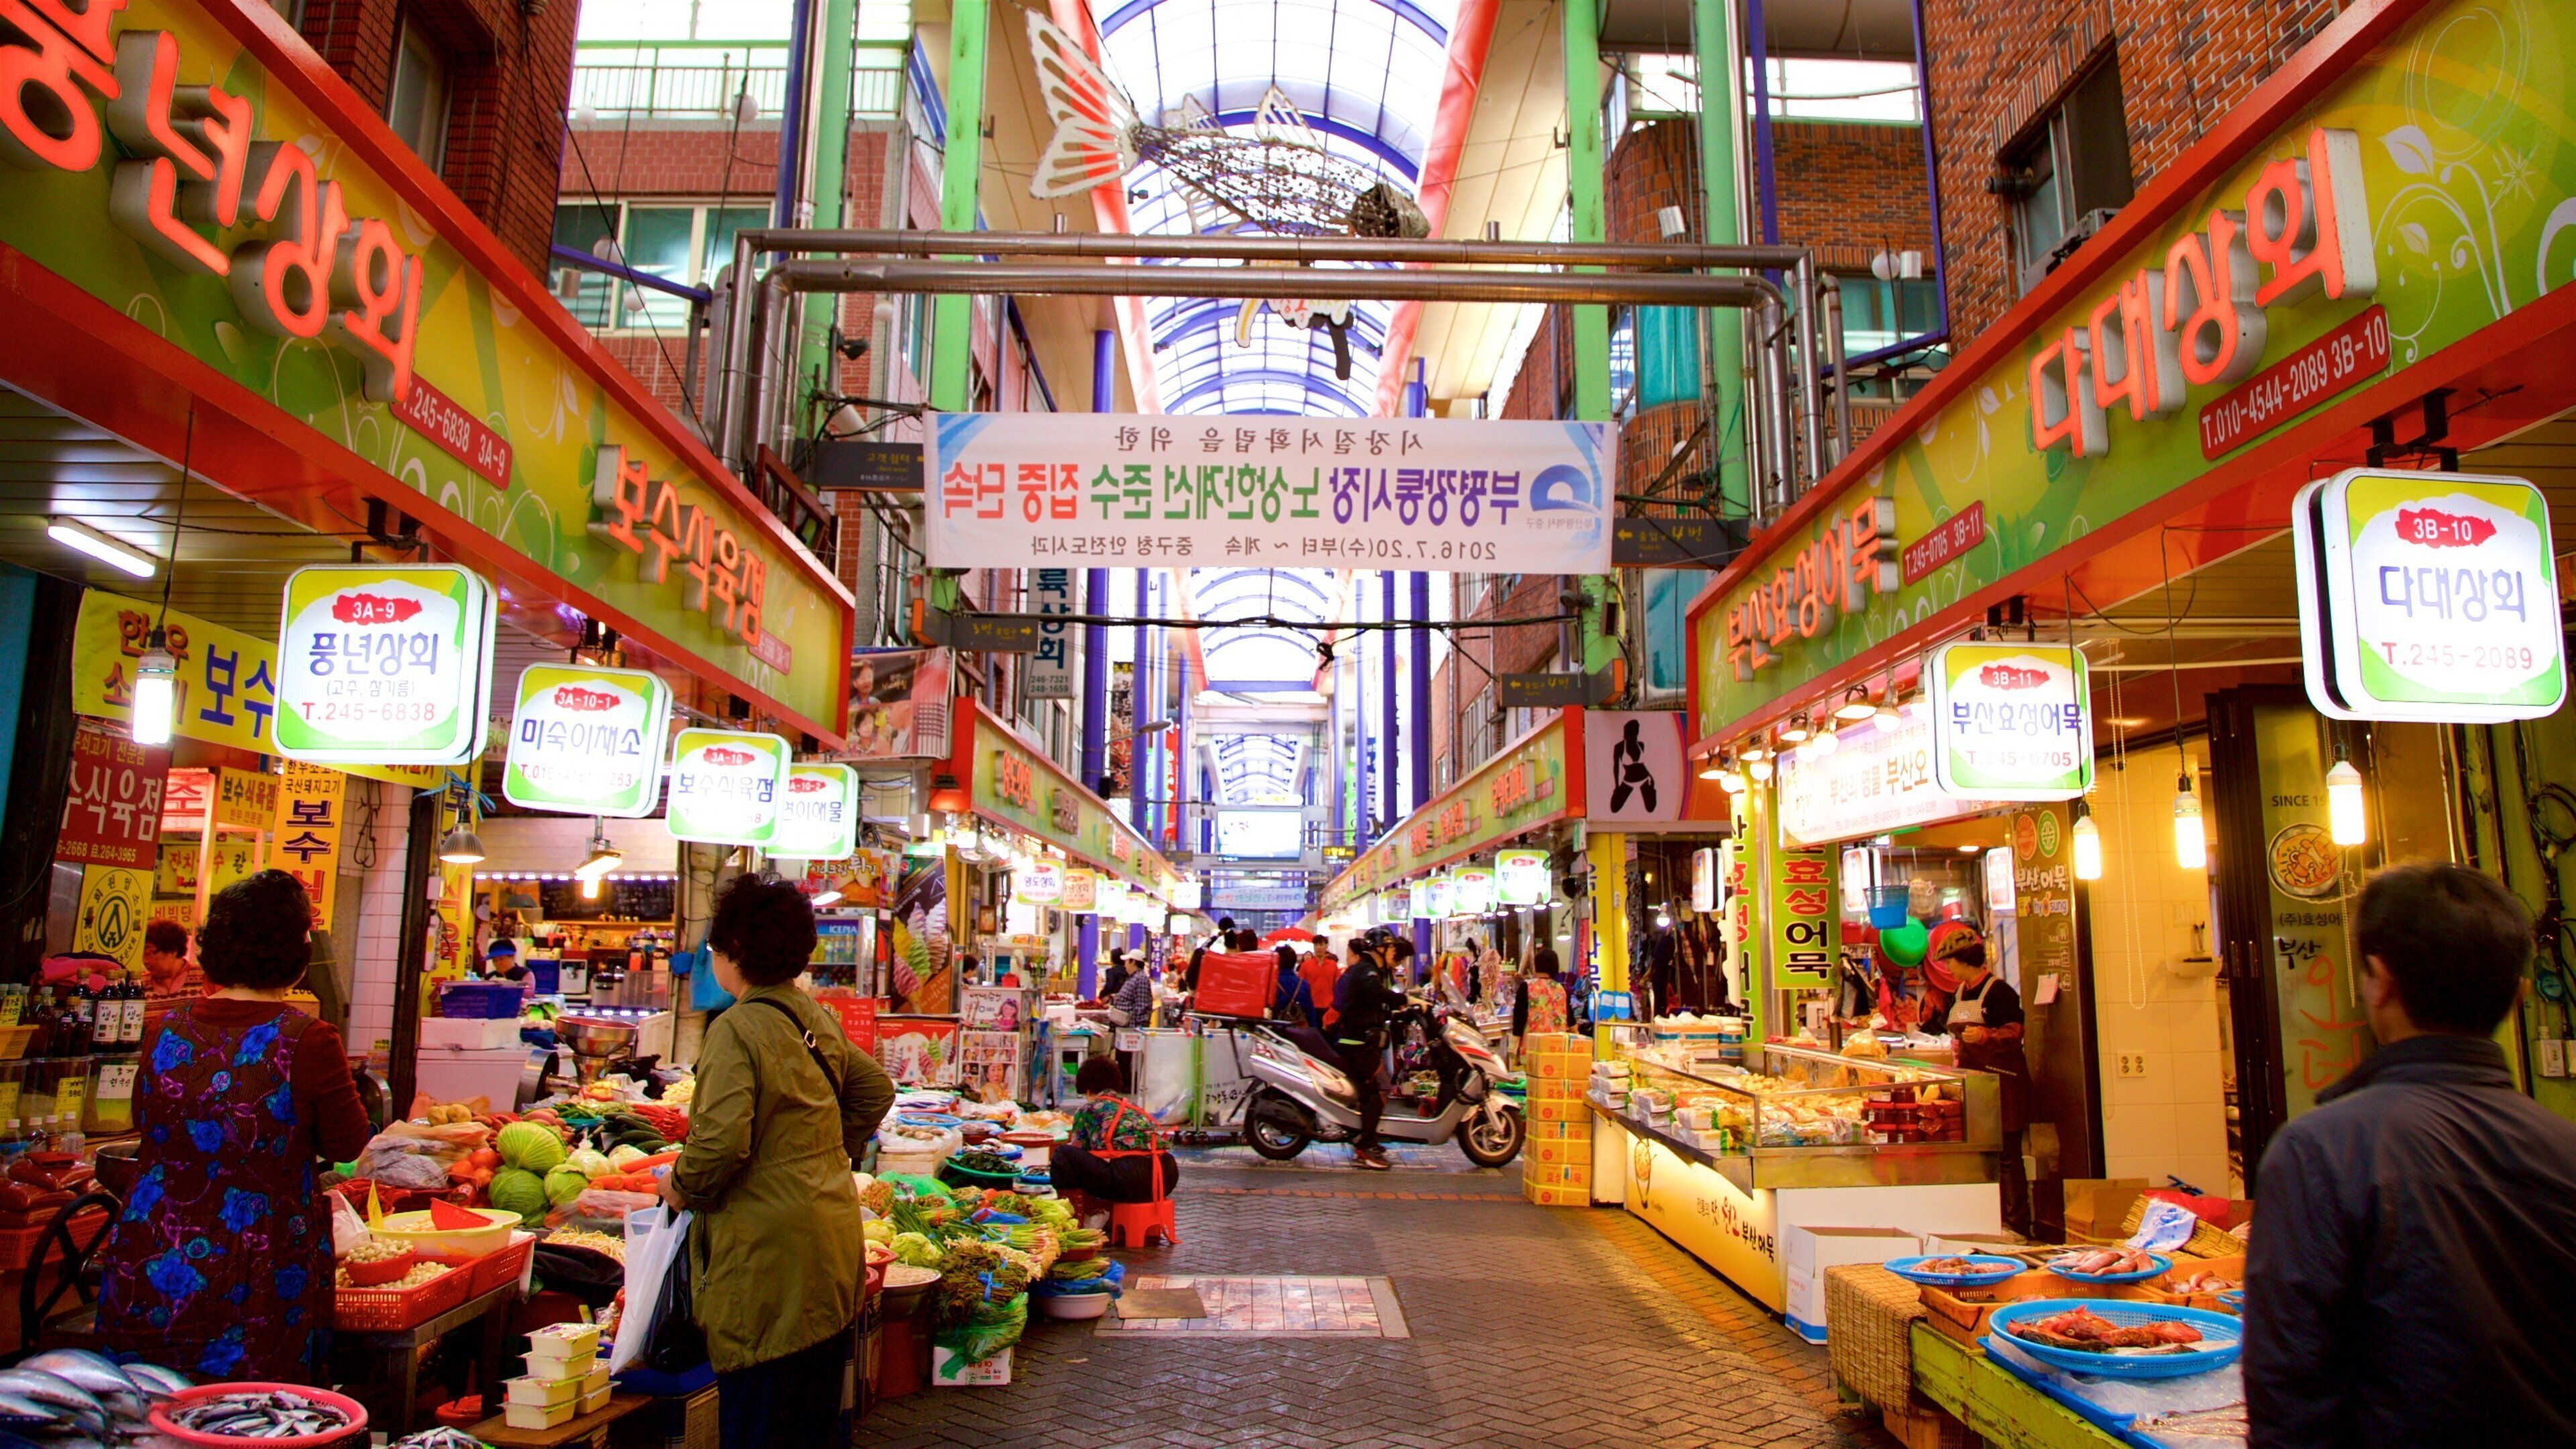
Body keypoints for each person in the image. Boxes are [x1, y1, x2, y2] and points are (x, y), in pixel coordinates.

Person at [2243, 863, 2576, 1448]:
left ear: (2379, 981)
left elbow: (2288, 1386)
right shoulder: (2565, 1149)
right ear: (2519, 996)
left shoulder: (2320, 1150)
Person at [98, 870, 370, 1381]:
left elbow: (146, 1120)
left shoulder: (164, 1029)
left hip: (152, 1244)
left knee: (145, 1407)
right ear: (293, 951)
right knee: (248, 1412)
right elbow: (347, 1142)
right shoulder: (309, 1040)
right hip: (259, 1259)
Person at [659, 875, 897, 1449]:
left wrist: (679, 1186)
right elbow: (875, 1091)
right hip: (830, 1248)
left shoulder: (736, 1028)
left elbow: (718, 1147)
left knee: (762, 1422)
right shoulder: (810, 1016)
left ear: (734, 952)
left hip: (768, 1265)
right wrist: (815, 1154)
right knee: (812, 1422)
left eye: (714, 951)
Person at [1935, 936, 2029, 1234]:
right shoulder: (1960, 993)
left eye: (1950, 962)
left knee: (2008, 1155)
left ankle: (2017, 1225)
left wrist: (1987, 1037)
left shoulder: (1999, 991)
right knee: (1984, 1155)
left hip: (2004, 1084)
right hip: (1974, 1083)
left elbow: (2016, 1032)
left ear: (1964, 961)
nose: (1948, 968)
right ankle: (1992, 1220)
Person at [1051, 1057, 1181, 1207]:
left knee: (1063, 1155)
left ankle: (1076, 1211)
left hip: (1131, 1179)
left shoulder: (1089, 1109)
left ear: (1087, 1089)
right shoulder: (1131, 1107)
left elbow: (1078, 1151)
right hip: (1165, 1177)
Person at [1330, 932, 1408, 1171]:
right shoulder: (1368, 971)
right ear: (1378, 949)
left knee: (1367, 1092)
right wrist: (1403, 999)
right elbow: (1374, 994)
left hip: (1362, 1042)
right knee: (1381, 1086)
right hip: (1358, 1043)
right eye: (1390, 947)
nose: (1394, 952)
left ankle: (1365, 1137)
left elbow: (1374, 1002)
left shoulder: (1373, 970)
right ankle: (1365, 1145)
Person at [139, 918, 195, 996]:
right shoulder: (140, 986)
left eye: (150, 953)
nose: (145, 961)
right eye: (142, 955)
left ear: (173, 951)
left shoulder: (205, 979)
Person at [1297, 945, 1341, 1032]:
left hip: (1328, 1006)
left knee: (1327, 1034)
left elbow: (1337, 985)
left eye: (1321, 944)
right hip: (1311, 1006)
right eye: (1317, 944)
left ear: (1326, 946)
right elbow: (1300, 986)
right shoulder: (1305, 966)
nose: (1319, 948)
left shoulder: (1332, 965)